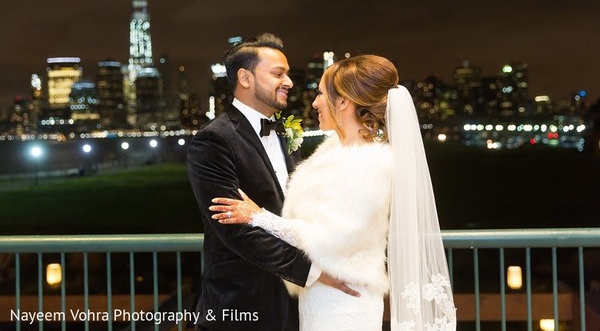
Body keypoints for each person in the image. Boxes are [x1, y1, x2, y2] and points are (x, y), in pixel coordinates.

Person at [210, 55, 457, 330]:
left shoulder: (369, 163)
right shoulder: (334, 151)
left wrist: (257, 216)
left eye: (319, 94)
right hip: (320, 297)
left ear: (342, 102)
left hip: (344, 304)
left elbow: (327, 238)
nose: (314, 102)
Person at [186, 33, 356, 331]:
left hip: (295, 307)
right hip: (241, 305)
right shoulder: (214, 140)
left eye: (288, 73)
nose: (289, 82)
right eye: (278, 73)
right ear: (245, 78)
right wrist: (315, 272)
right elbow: (235, 229)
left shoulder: (284, 133)